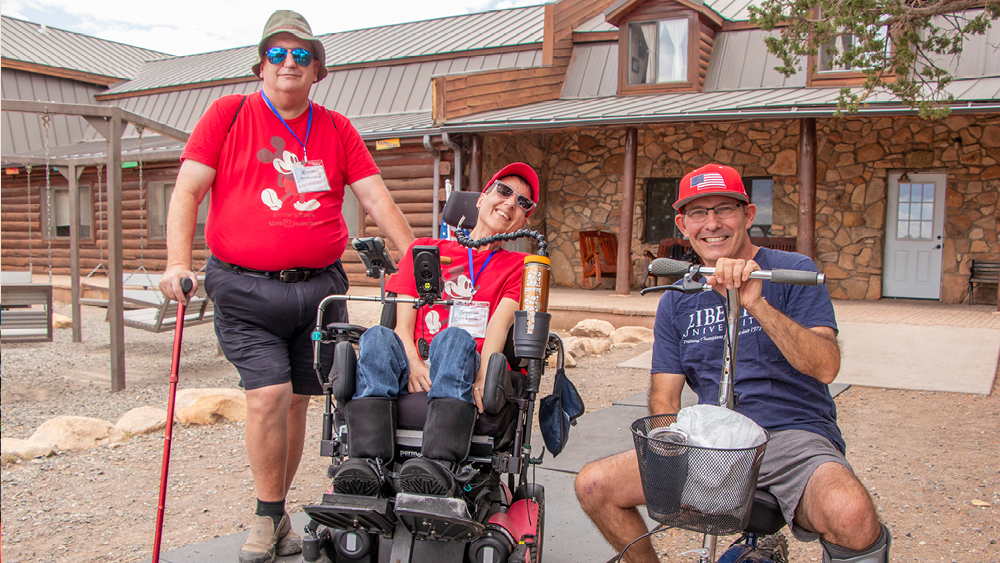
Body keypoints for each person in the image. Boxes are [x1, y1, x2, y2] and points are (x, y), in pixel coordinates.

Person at [158, 10, 413, 563]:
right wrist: (177, 261)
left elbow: (375, 198)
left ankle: (276, 514)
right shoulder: (228, 116)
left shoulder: (336, 128)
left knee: (299, 401)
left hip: (320, 289)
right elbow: (186, 192)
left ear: (317, 70)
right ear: (261, 67)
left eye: (301, 54)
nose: (289, 62)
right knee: (268, 396)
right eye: (277, 53)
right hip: (245, 287)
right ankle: (266, 516)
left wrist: (415, 258)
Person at [574, 164, 890, 563]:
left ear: (748, 215)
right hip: (713, 442)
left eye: (724, 209)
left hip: (792, 435)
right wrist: (667, 455)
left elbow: (826, 366)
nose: (712, 224)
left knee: (852, 514)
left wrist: (755, 302)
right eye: (698, 213)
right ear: (682, 224)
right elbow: (665, 395)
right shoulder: (678, 296)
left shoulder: (793, 272)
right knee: (593, 485)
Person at [330, 162, 539, 498]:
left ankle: (438, 465)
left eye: (523, 202)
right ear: (482, 198)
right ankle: (367, 464)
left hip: (462, 362)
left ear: (524, 220)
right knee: (375, 337)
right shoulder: (426, 249)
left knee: (454, 337)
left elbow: (499, 328)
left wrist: (486, 377)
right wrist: (412, 360)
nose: (511, 202)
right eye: (503, 191)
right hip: (411, 362)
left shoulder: (519, 267)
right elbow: (402, 326)